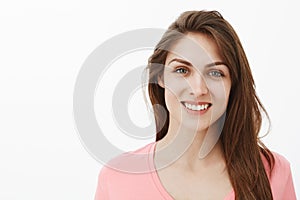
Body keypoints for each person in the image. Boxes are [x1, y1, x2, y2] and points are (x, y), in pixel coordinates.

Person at [94, 10, 296, 200]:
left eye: (215, 73)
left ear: (232, 83)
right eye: (182, 70)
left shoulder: (274, 172)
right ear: (160, 77)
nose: (198, 89)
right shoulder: (117, 177)